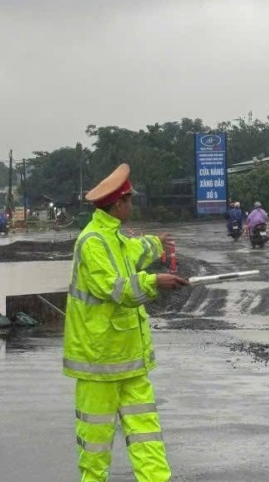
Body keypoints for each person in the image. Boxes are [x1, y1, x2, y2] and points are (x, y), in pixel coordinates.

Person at [64, 164, 188, 482]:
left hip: (129, 360)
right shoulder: (92, 242)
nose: (132, 206)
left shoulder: (112, 238)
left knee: (148, 437)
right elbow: (115, 288)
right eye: (130, 201)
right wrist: (154, 282)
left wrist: (157, 243)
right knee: (95, 445)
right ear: (118, 204)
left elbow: (133, 249)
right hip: (99, 362)